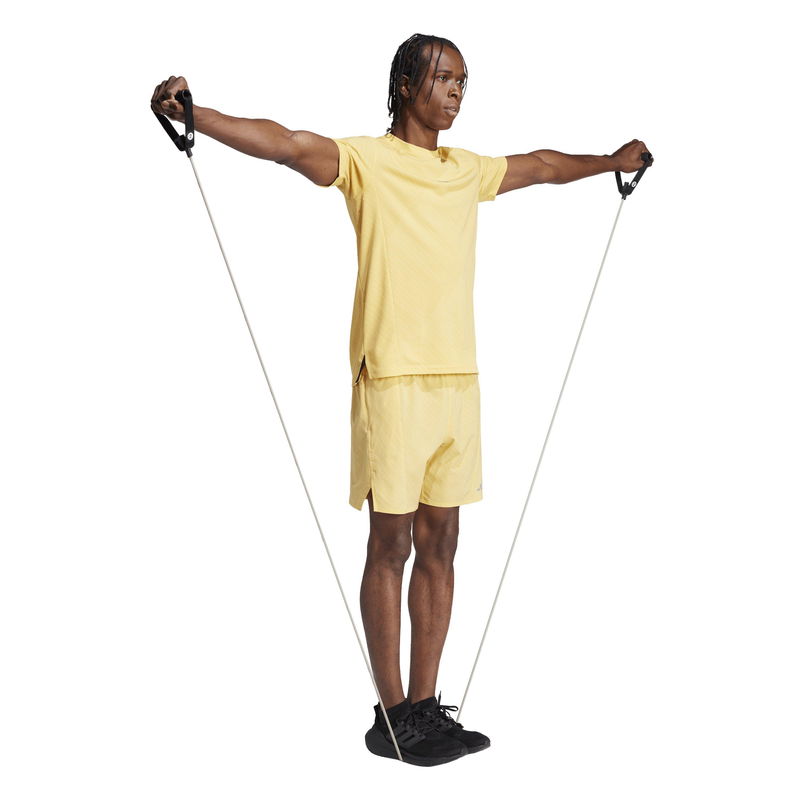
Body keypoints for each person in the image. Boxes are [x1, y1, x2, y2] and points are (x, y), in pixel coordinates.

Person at [151, 32, 652, 768]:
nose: (456, 92)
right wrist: (198, 115)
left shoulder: (466, 170)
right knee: (391, 545)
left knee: (442, 544)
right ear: (407, 84)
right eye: (444, 78)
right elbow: (285, 144)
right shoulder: (366, 161)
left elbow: (543, 166)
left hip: (457, 382)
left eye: (463, 81)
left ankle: (424, 708)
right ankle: (390, 719)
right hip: (391, 380)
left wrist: (611, 161)